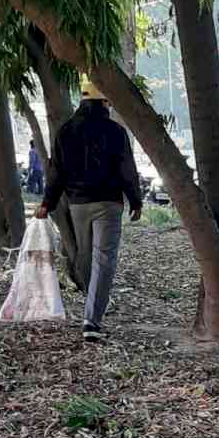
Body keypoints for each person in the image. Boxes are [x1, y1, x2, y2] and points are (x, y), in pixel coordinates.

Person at [36, 78, 142, 343]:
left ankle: (90, 305)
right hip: (108, 203)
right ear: (104, 101)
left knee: (86, 257)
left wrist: (47, 203)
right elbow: (126, 169)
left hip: (78, 205)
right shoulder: (115, 131)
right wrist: (135, 200)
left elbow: (56, 172)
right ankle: (91, 320)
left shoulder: (66, 130)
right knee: (104, 260)